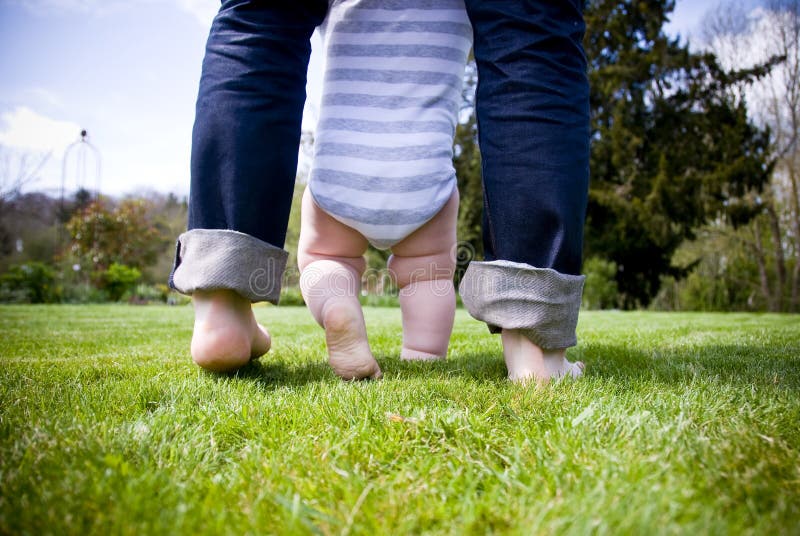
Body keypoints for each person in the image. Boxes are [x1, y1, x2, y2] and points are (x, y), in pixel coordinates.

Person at [170, 0, 590, 385]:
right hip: (425, 179)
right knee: (429, 272)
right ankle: (464, 352)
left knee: (262, 16)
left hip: (341, 172)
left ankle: (227, 312)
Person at [296, 0, 471, 380]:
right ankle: (423, 355)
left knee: (325, 259)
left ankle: (337, 306)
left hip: (343, 164)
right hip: (422, 169)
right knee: (428, 275)